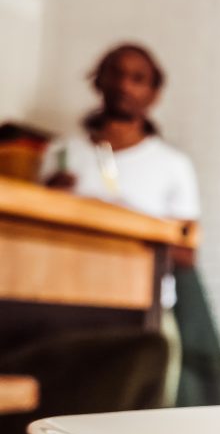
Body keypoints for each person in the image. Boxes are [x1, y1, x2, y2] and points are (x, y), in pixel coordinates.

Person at [39, 43, 200, 406]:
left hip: (141, 312)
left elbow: (188, 253)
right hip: (65, 307)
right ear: (99, 81)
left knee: (140, 414)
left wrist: (122, 227)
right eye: (116, 73)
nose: (125, 85)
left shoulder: (172, 165)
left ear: (153, 93)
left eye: (138, 78)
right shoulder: (60, 155)